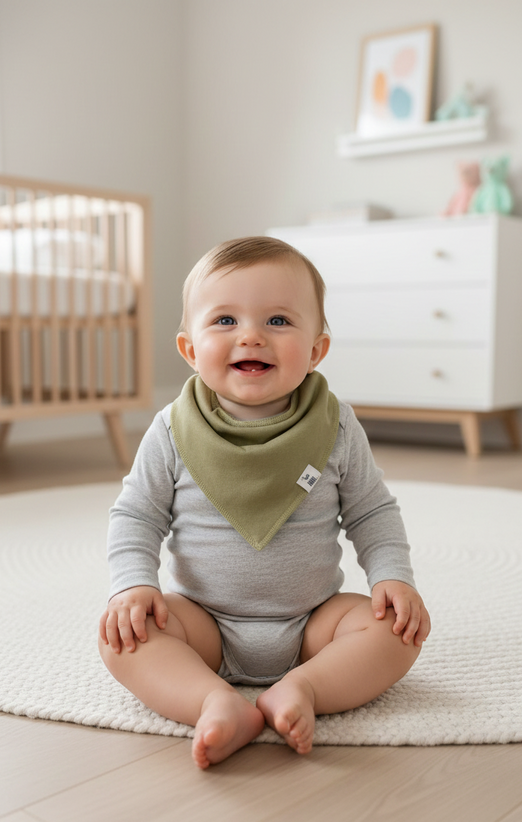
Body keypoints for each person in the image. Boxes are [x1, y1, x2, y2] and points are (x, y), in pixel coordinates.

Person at [99, 236, 431, 770]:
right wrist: (134, 586)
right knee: (123, 639)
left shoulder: (337, 425)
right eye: (225, 321)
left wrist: (393, 576)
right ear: (188, 349)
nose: (251, 335)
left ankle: (303, 689)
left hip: (312, 625)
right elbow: (137, 515)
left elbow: (371, 511)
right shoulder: (171, 430)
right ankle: (212, 701)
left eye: (278, 321)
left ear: (317, 349)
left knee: (398, 631)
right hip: (202, 622)